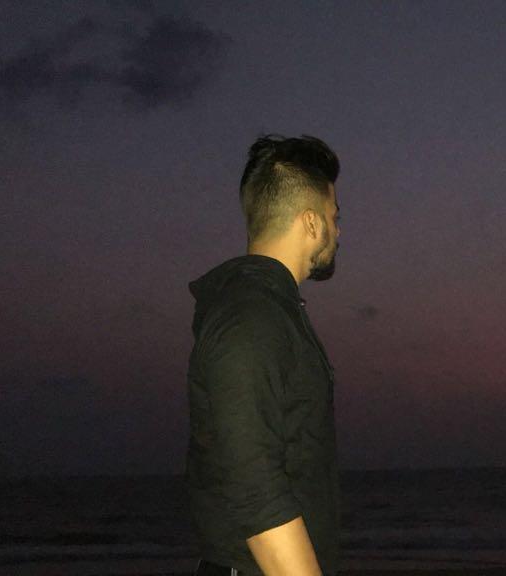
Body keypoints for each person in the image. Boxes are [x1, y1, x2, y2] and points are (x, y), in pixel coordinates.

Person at [186, 135, 342, 575]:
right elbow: (256, 490)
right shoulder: (250, 317)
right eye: (335, 216)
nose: (338, 231)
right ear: (312, 223)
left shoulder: (270, 310)